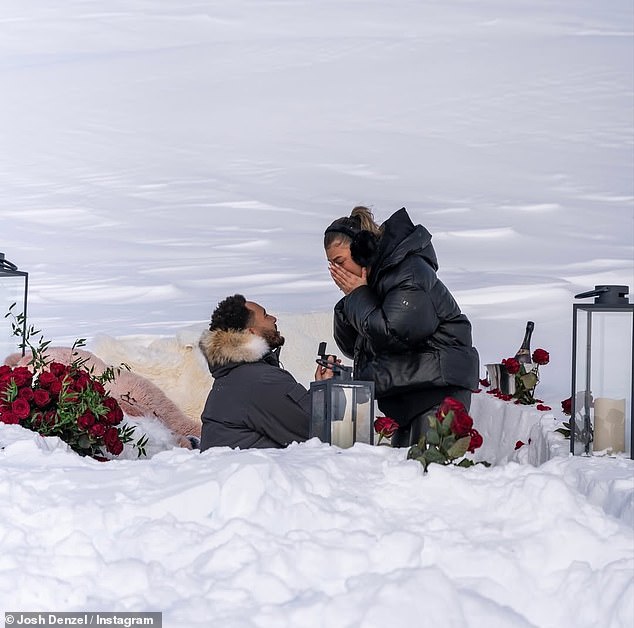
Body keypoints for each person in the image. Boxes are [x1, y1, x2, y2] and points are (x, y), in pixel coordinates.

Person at [323, 206, 479, 447]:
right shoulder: (372, 285)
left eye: (340, 262)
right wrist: (352, 298)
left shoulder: (410, 273)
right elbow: (353, 345)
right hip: (408, 397)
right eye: (332, 265)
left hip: (435, 394)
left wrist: (358, 295)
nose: (336, 271)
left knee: (428, 475)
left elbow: (392, 333)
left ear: (363, 251)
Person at [198, 294, 334, 451]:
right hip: (250, 474)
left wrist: (321, 386)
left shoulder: (235, 377)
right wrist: (327, 390)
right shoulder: (261, 381)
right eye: (265, 315)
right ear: (251, 333)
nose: (273, 319)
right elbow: (317, 433)